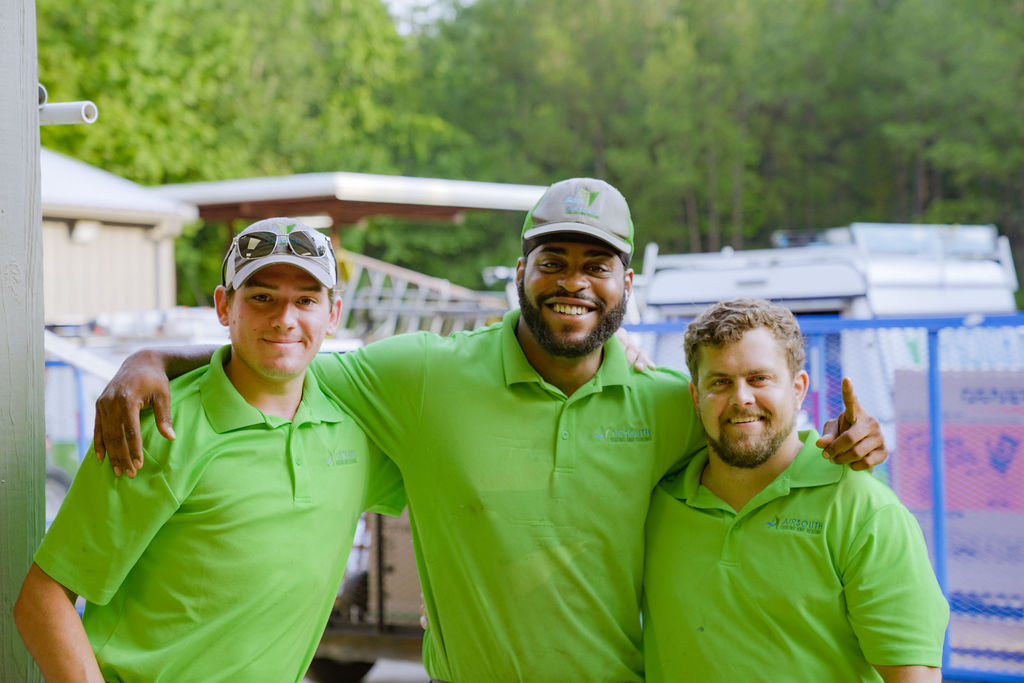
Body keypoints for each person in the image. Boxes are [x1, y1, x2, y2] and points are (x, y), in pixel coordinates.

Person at [91, 179, 888, 682]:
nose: (573, 280)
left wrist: (848, 441)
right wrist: (152, 356)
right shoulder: (420, 376)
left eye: (596, 264)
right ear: (520, 270)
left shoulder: (668, 406)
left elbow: (759, 439)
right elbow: (276, 358)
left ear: (625, 285)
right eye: (553, 259)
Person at [14, 218, 405, 682]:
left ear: (333, 314)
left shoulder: (356, 427)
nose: (285, 318)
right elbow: (44, 598)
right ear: (224, 307)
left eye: (305, 300)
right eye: (261, 297)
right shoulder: (157, 430)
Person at [642, 298, 948, 682]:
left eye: (759, 378)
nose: (742, 398)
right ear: (694, 396)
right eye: (720, 382)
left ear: (799, 388)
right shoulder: (658, 502)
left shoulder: (862, 509)